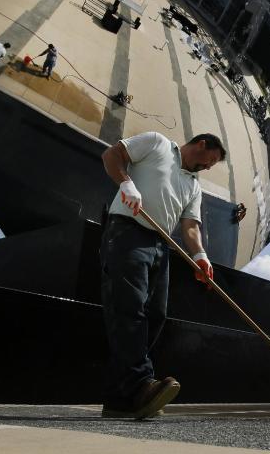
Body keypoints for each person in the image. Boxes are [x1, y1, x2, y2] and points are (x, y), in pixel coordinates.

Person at [99, 131, 226, 419]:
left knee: (155, 316)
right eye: (212, 159)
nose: (209, 166)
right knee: (129, 309)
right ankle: (142, 383)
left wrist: (200, 256)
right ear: (202, 145)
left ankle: (120, 399)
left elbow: (191, 226)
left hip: (161, 244)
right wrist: (126, 184)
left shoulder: (194, 185)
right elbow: (111, 155)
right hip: (128, 232)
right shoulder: (158, 143)